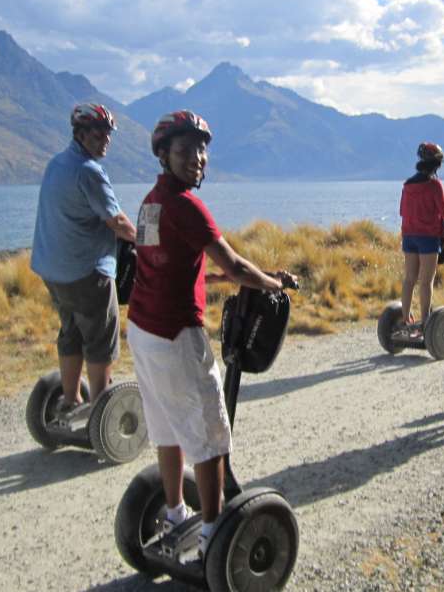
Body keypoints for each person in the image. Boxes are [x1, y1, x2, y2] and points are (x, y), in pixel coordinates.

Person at [125, 110, 297, 558]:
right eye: (185, 150)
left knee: (166, 426)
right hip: (175, 334)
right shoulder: (185, 204)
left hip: (143, 331)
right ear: (163, 155)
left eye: (201, 150)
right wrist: (274, 283)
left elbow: (174, 267)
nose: (197, 158)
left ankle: (177, 512)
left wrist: (251, 278)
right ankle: (212, 534)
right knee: (210, 434)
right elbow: (234, 264)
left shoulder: (150, 203)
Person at [30, 103, 137, 421]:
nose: (105, 139)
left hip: (53, 269)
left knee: (72, 330)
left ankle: (71, 399)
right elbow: (116, 220)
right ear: (80, 134)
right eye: (98, 133)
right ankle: (101, 412)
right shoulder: (89, 170)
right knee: (101, 338)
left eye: (108, 134)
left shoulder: (57, 164)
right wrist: (149, 240)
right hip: (87, 269)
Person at [398, 141, 444, 334]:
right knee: (426, 281)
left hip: (409, 236)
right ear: (437, 165)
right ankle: (426, 321)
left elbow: (402, 211)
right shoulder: (434, 185)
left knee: (409, 279)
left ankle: (405, 318)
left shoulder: (407, 185)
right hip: (428, 238)